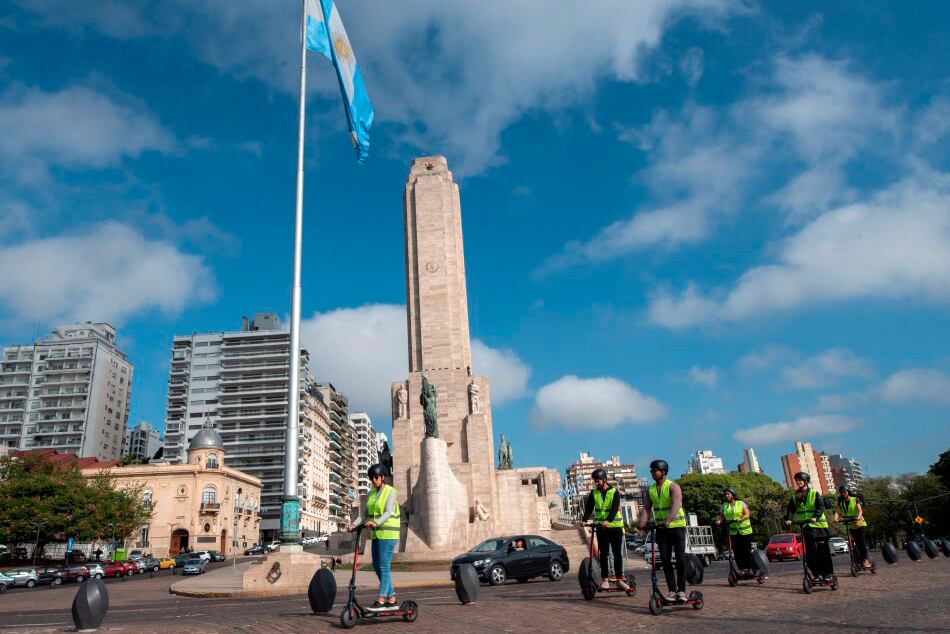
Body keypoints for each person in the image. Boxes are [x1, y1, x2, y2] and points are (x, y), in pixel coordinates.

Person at [348, 463, 401, 611]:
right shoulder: (371, 493)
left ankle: (382, 599)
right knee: (376, 566)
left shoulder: (391, 491)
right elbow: (364, 514)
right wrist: (353, 525)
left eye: (376, 477)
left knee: (384, 566)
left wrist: (376, 523)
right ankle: (392, 598)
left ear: (383, 477)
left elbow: (388, 512)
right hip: (376, 533)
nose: (374, 480)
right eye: (371, 478)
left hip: (388, 533)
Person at [638, 459, 687, 603]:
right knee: (665, 560)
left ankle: (682, 591)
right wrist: (642, 522)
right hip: (661, 529)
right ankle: (672, 590)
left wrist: (669, 520)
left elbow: (676, 504)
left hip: (677, 527)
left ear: (664, 472)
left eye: (655, 471)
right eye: (651, 471)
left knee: (680, 559)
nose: (653, 473)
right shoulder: (651, 489)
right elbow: (646, 508)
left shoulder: (673, 486)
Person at [580, 468, 629, 591]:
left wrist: (608, 520)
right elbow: (589, 507)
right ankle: (605, 579)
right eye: (595, 481)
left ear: (604, 479)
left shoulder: (614, 492)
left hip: (615, 527)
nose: (596, 483)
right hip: (601, 528)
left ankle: (619, 578)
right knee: (603, 554)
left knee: (617, 554)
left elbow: (614, 508)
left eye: (598, 480)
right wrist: (584, 519)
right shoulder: (594, 493)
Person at [785, 472, 833, 582]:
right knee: (811, 552)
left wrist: (816, 516)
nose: (798, 482)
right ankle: (817, 574)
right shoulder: (795, 496)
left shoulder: (814, 493)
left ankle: (828, 573)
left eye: (800, 480)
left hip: (819, 525)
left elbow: (820, 507)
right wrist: (789, 518)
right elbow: (791, 509)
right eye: (796, 480)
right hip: (806, 526)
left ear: (806, 481)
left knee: (823, 551)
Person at [716, 487, 754, 576]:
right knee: (737, 551)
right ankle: (742, 569)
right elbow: (721, 516)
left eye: (728, 494)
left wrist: (741, 518)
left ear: (733, 495)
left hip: (745, 531)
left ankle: (750, 568)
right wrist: (719, 521)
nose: (726, 496)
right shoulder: (724, 505)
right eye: (725, 494)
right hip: (733, 532)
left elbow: (747, 514)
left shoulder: (741, 503)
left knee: (746, 551)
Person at [834, 485, 872, 569]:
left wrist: (858, 517)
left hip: (859, 524)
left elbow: (860, 510)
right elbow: (837, 511)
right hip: (851, 524)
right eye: (841, 492)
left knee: (861, 543)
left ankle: (865, 561)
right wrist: (836, 518)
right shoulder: (841, 502)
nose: (843, 493)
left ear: (848, 491)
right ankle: (858, 560)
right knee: (856, 544)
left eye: (844, 491)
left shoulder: (855, 499)